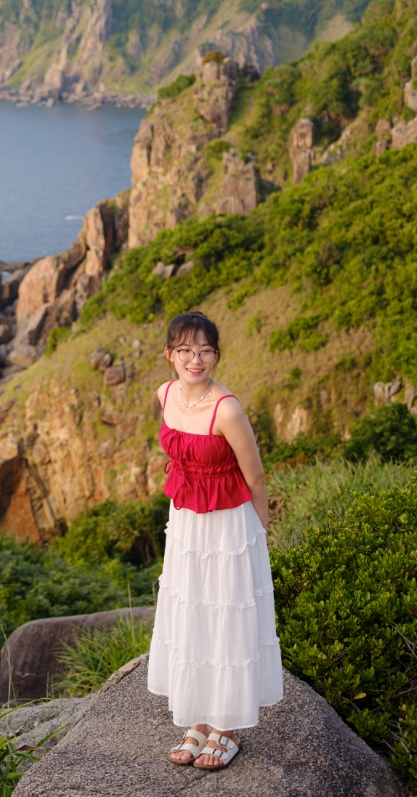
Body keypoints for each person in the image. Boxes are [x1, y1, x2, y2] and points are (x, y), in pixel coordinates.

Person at [147, 310, 282, 771]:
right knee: (194, 611)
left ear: (217, 355)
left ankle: (226, 728)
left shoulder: (227, 408)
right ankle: (199, 720)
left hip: (228, 524)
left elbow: (256, 474)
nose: (195, 359)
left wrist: (259, 534)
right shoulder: (164, 394)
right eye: (185, 350)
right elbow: (176, 453)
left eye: (205, 350)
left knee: (226, 615)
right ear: (169, 355)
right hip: (185, 521)